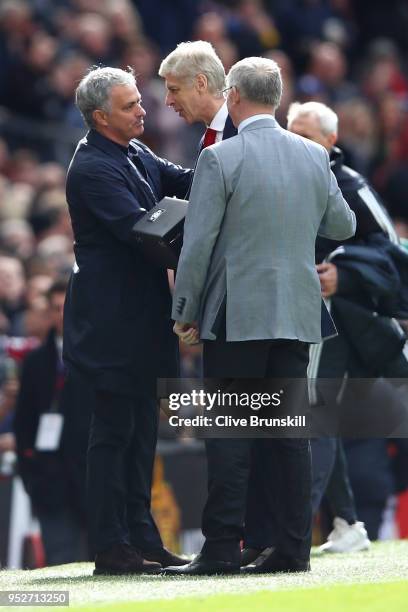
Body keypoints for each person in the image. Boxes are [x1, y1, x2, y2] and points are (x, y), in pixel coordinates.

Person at [164, 57, 356, 576]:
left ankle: (224, 547)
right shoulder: (314, 157)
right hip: (297, 312)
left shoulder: (220, 159)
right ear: (275, 98)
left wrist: (185, 310)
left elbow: (198, 245)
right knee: (289, 434)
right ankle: (292, 549)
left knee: (231, 431)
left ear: (232, 97)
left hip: (237, 314)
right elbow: (344, 224)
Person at [244, 101, 408, 557]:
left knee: (314, 414)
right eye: (290, 131)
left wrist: (345, 274)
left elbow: (391, 249)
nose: (295, 140)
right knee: (317, 416)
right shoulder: (282, 179)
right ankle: (346, 520)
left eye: (306, 133)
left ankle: (294, 528)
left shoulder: (351, 184)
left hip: (342, 322)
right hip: (301, 316)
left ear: (331, 142)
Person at [63, 66, 191, 575]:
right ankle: (111, 547)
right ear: (100, 117)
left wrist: (226, 163)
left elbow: (179, 180)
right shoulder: (93, 167)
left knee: (140, 434)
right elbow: (145, 234)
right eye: (130, 104)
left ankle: (142, 539)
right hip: (111, 325)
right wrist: (193, 233)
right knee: (114, 433)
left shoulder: (133, 151)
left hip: (141, 318)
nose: (143, 109)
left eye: (139, 100)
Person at [14, 279, 91, 565]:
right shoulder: (35, 361)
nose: (61, 314)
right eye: (55, 308)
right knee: (61, 563)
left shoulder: (95, 357)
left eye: (66, 307)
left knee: (105, 566)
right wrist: (31, 473)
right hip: (50, 481)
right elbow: (24, 422)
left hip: (91, 477)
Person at [159, 40, 237, 173]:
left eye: (174, 90)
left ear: (201, 83)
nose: (168, 101)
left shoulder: (242, 131)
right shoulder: (206, 140)